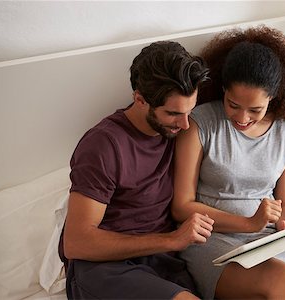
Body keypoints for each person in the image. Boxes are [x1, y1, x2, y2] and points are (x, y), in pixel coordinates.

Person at [59, 41, 214, 300]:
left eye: (190, 111)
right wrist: (171, 240)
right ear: (140, 99)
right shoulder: (103, 145)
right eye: (173, 113)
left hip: (162, 264)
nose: (186, 124)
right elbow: (77, 242)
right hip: (105, 268)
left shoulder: (177, 129)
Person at [172, 26, 285, 299]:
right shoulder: (200, 124)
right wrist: (249, 223)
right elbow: (182, 207)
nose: (241, 117)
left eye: (255, 109)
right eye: (233, 104)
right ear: (223, 89)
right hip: (213, 238)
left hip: (268, 238)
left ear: (272, 99)